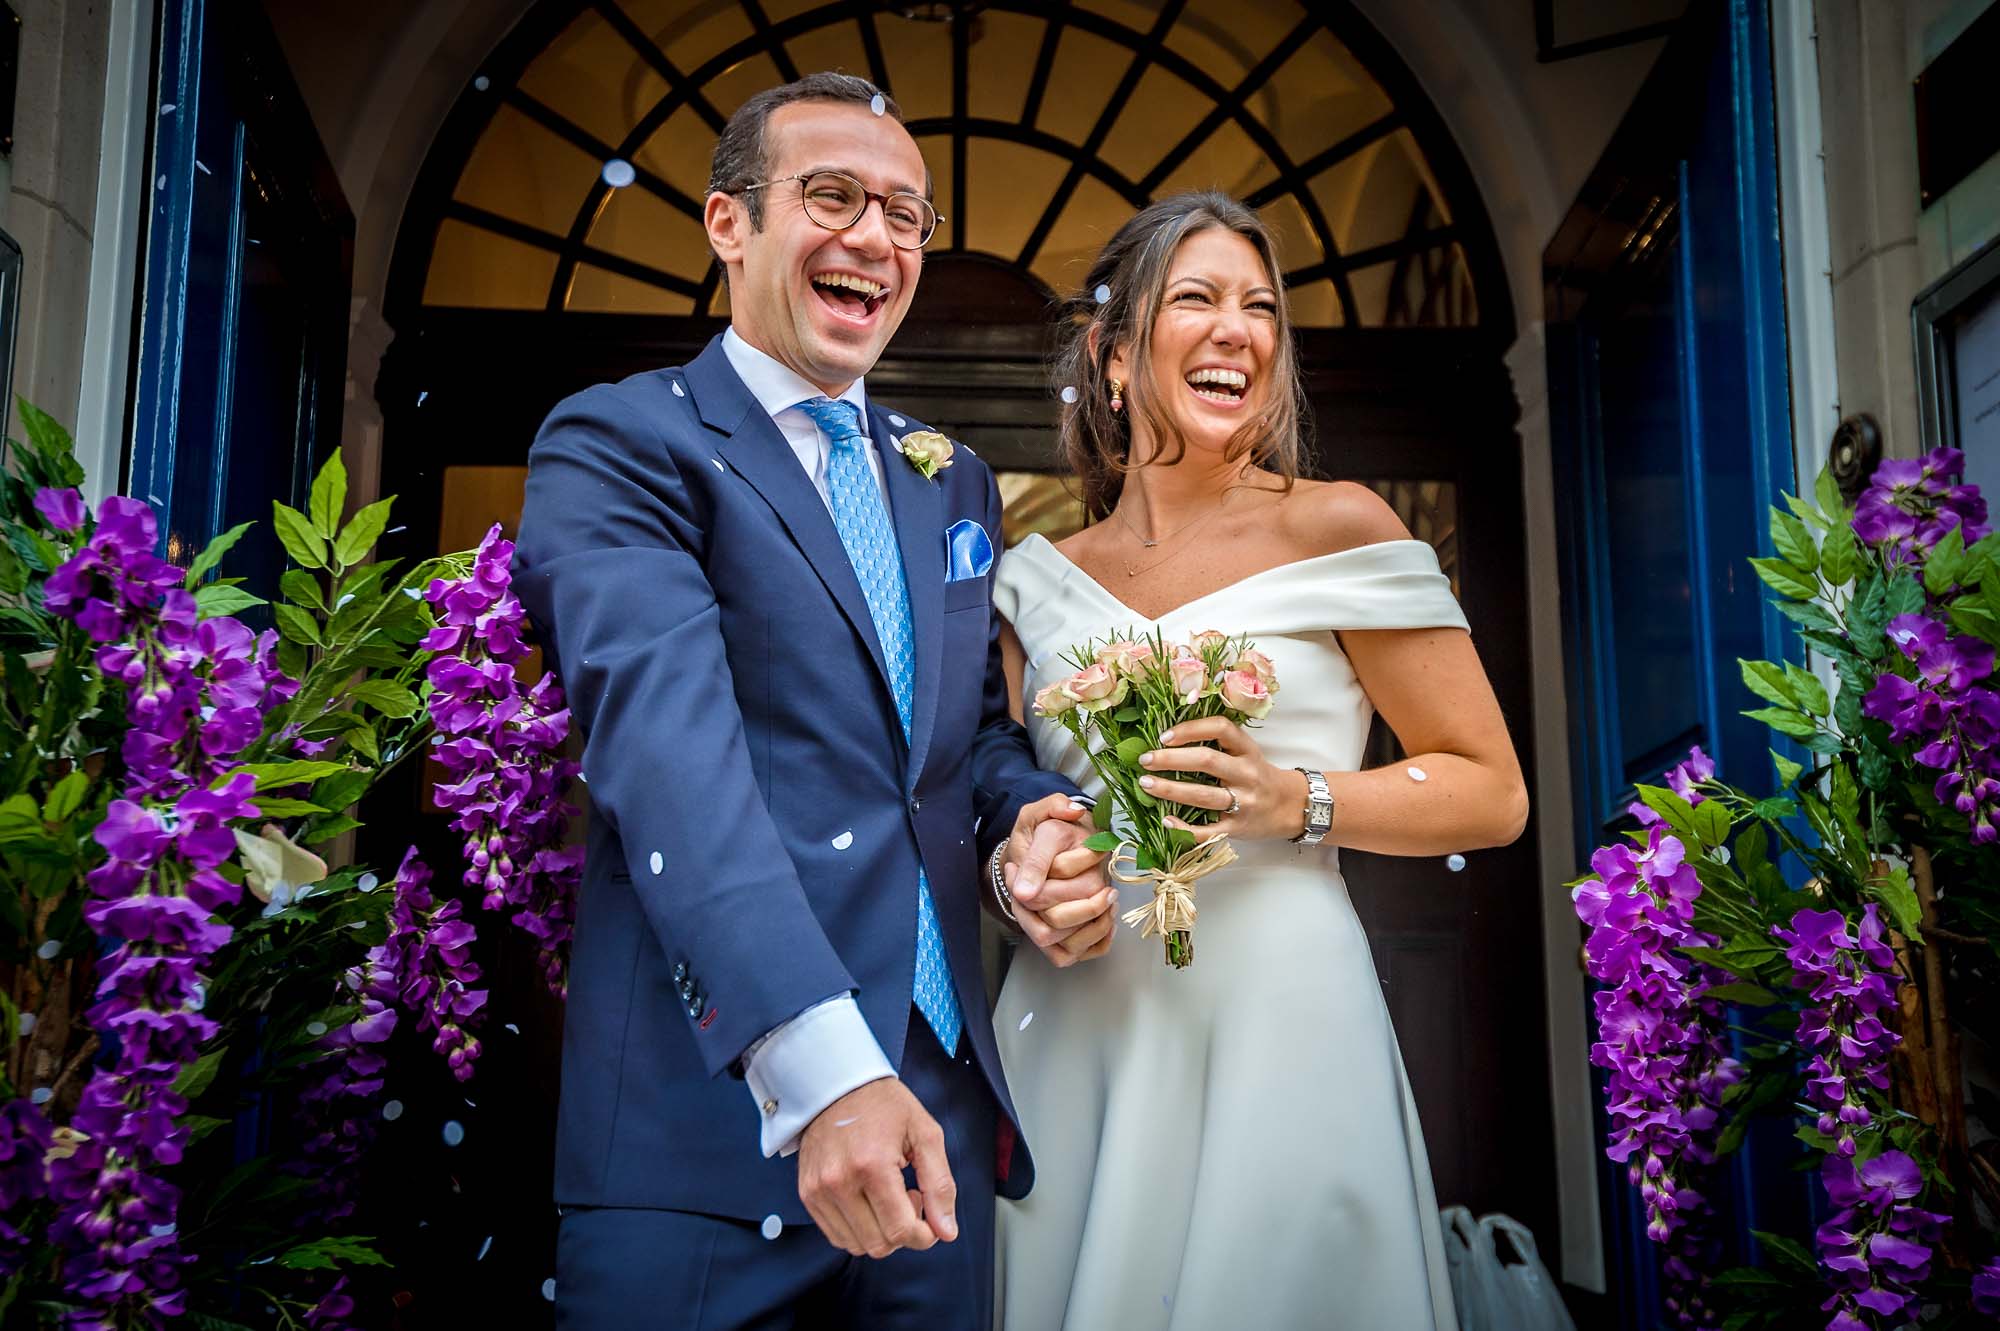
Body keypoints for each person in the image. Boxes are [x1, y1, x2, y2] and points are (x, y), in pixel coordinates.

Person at [513, 72, 1115, 1330]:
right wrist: (826, 1071)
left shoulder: (945, 480)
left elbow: (959, 744)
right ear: (728, 223)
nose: (876, 239)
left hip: (936, 1136)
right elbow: (669, 754)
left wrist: (1032, 829)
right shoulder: (621, 441)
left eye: (906, 215)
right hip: (706, 1130)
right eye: (831, 196)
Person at [990, 192, 1530, 1330]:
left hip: (1282, 1009)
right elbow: (1000, 802)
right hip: (1078, 1012)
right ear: (1114, 353)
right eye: (1195, 299)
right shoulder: (1028, 579)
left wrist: (1298, 797)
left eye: (1259, 307)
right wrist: (1020, 873)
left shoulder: (1338, 526)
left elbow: (1490, 789)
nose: (1237, 328)